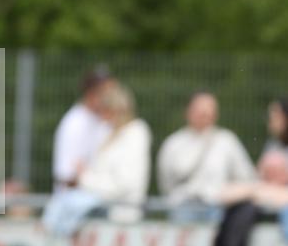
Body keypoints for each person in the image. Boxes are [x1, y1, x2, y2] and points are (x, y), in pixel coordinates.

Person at [43, 83, 151, 235]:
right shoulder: (111, 135)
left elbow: (122, 184)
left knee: (67, 206)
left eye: (106, 112)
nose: (103, 118)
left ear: (117, 110)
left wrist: (84, 178)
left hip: (119, 214)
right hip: (107, 209)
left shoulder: (134, 134)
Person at [157, 91, 255, 222]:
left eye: (209, 109)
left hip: (217, 208)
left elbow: (246, 176)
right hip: (182, 208)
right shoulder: (173, 143)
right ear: (188, 111)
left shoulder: (227, 141)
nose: (204, 114)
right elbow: (165, 183)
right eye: (200, 109)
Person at [52, 67, 115, 191]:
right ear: (91, 94)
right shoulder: (74, 124)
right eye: (107, 93)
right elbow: (67, 175)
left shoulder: (105, 123)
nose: (113, 98)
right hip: (76, 204)